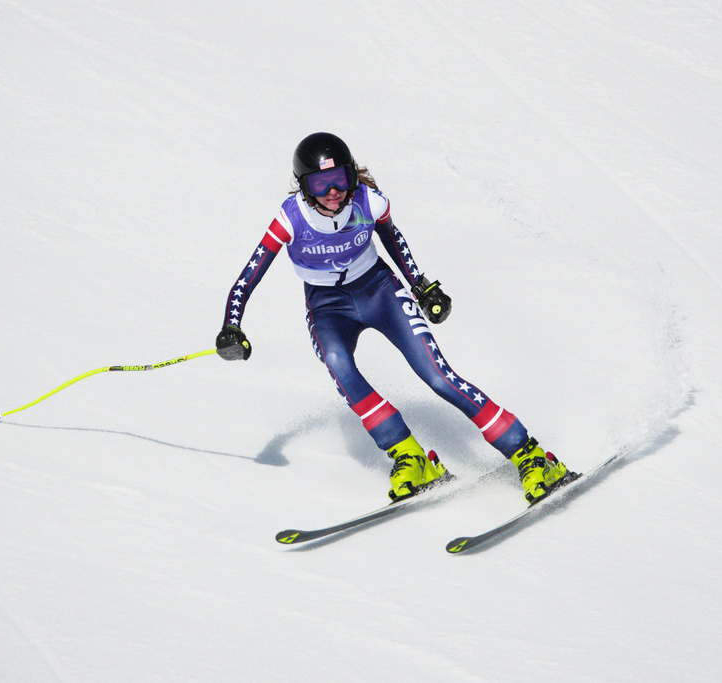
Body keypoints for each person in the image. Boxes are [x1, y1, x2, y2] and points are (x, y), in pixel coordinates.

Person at [216, 132, 575, 504]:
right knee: (339, 364)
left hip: (379, 292)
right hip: (327, 307)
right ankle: (409, 455)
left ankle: (530, 453)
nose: (333, 191)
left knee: (438, 377)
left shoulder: (369, 202)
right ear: (304, 187)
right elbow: (248, 275)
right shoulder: (290, 219)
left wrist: (421, 287)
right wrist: (232, 325)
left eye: (340, 178)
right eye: (321, 183)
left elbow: (393, 240)